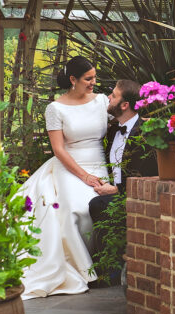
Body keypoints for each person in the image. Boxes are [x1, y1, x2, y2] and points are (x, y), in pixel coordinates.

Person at [19, 56, 117, 300]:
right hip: (69, 165)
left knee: (96, 206)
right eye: (88, 79)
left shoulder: (102, 101)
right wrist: (84, 176)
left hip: (99, 163)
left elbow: (125, 121)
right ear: (73, 80)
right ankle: (82, 270)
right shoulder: (55, 108)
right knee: (74, 209)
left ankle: (101, 264)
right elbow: (59, 150)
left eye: (95, 77)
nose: (94, 82)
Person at [88, 80, 158, 282]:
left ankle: (111, 272)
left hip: (137, 196)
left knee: (98, 204)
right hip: (114, 190)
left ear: (124, 104)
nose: (109, 98)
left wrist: (116, 189)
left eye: (114, 95)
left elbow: (144, 174)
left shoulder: (145, 132)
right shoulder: (112, 130)